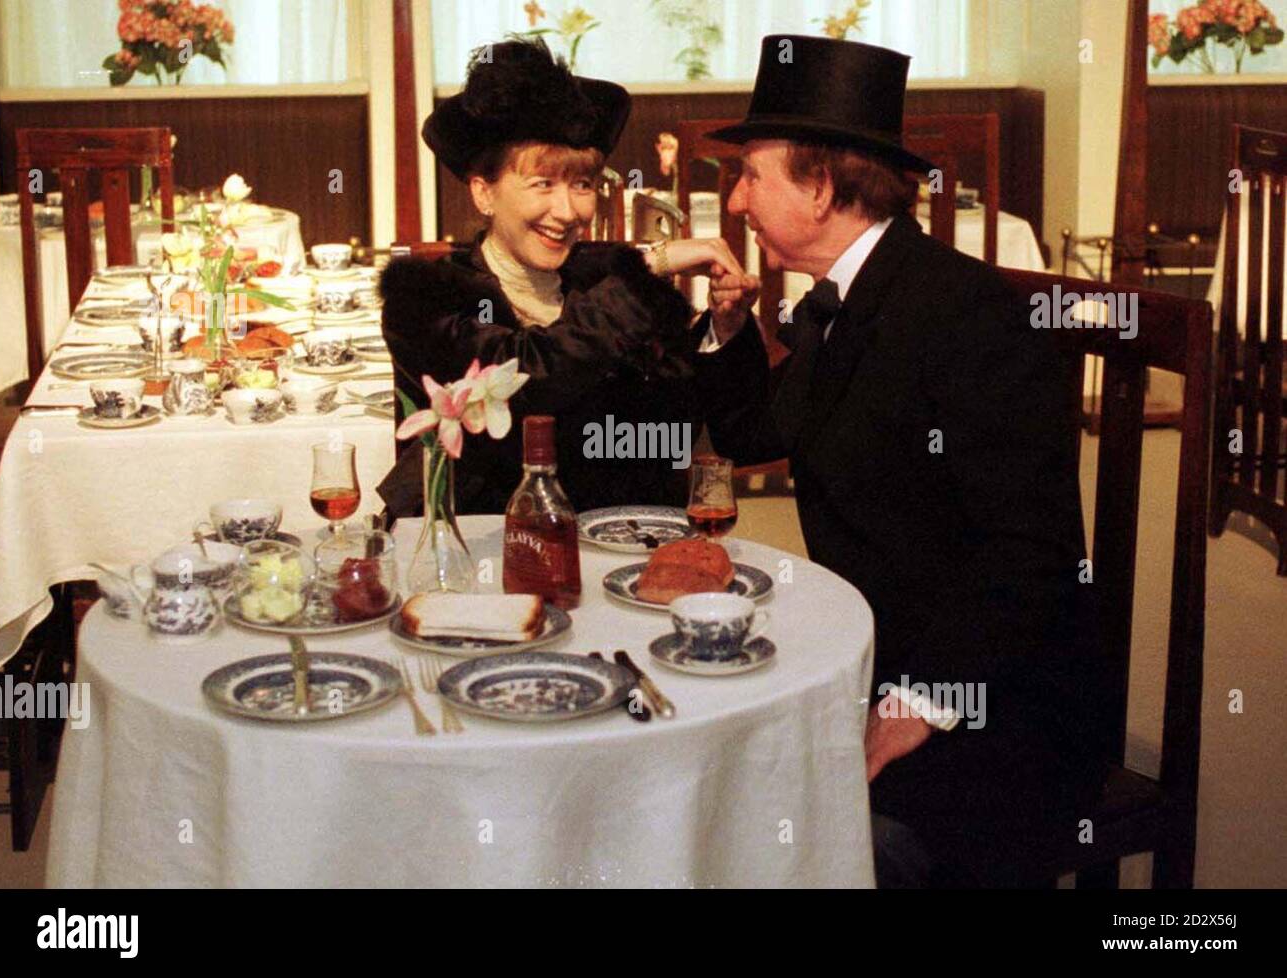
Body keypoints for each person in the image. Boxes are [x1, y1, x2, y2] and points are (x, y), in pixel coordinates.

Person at [697, 36, 1108, 887]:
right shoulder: (845, 297)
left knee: (788, 843)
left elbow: (1033, 554)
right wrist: (731, 332)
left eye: (751, 176)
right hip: (875, 659)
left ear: (818, 186)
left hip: (998, 706)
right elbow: (749, 434)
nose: (736, 201)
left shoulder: (967, 315)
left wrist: (918, 706)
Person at [377, 38, 760, 518]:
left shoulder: (603, 278)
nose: (567, 211)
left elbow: (704, 425)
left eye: (582, 184)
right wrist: (651, 265)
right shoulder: (425, 298)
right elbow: (524, 378)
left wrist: (722, 332)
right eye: (542, 184)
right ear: (484, 193)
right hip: (491, 545)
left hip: (623, 539)